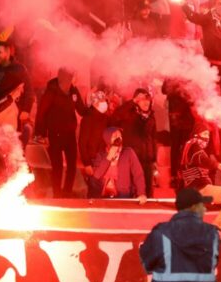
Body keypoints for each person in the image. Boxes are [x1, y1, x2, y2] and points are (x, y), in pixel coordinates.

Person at [179, 125, 221, 238]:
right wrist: (219, 165)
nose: (207, 137)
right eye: (204, 134)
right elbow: (202, 159)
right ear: (196, 134)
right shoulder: (193, 145)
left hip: (196, 190)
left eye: (208, 134)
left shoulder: (190, 146)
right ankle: (216, 228)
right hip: (200, 188)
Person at [35, 68, 86, 198]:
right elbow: (41, 113)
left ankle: (67, 192)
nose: (76, 79)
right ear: (67, 78)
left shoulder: (73, 91)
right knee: (57, 166)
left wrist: (94, 109)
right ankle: (57, 194)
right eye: (74, 76)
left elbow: (81, 109)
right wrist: (41, 134)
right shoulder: (52, 91)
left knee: (72, 165)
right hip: (55, 133)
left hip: (69, 134)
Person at [90, 127, 147, 200]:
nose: (118, 138)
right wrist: (109, 157)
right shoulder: (101, 155)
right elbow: (96, 176)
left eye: (119, 135)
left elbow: (138, 174)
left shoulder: (128, 152)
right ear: (107, 139)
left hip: (123, 195)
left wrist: (141, 193)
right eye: (114, 136)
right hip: (103, 196)